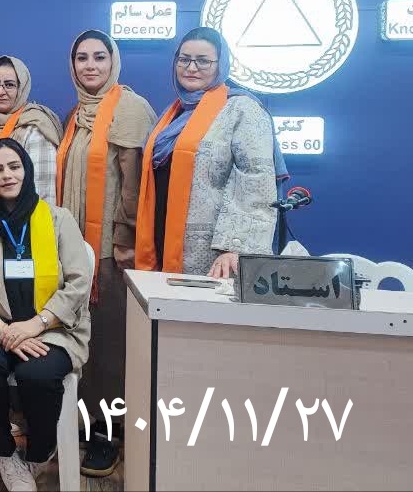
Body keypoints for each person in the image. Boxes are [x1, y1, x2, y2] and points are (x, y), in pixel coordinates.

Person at [0, 139, 92, 491]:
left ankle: (41, 451)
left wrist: (36, 324)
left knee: (37, 374)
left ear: (27, 171)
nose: (7, 175)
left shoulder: (58, 219)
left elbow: (79, 283)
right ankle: (4, 453)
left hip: (53, 327)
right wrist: (4, 330)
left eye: (14, 166)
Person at [53, 31, 155, 477]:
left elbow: (135, 188)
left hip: (114, 254)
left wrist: (123, 244)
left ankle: (109, 432)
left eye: (99, 57)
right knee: (83, 341)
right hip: (75, 252)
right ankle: (83, 421)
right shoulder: (76, 114)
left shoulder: (130, 110)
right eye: (82, 58)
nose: (90, 65)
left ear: (113, 62)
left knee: (111, 346)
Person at [136, 27, 284, 279]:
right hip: (163, 242)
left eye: (203, 61)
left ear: (221, 65)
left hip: (215, 255)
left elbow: (255, 181)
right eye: (184, 59)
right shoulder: (174, 113)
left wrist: (234, 247)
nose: (191, 68)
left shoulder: (241, 109)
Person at [0, 56, 61, 208]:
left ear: (21, 88)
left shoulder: (34, 128)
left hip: (24, 222)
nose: (0, 92)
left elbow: (43, 196)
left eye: (9, 85)